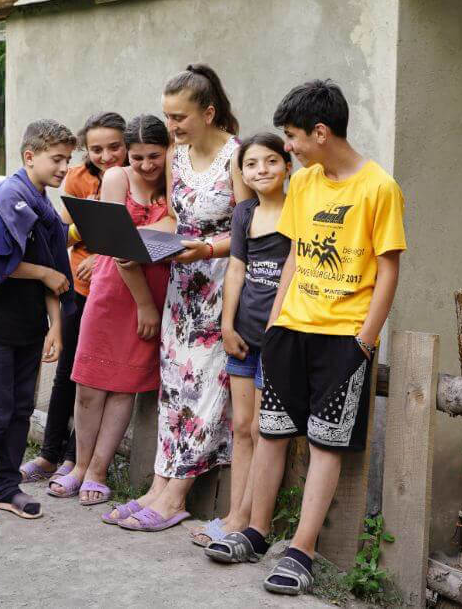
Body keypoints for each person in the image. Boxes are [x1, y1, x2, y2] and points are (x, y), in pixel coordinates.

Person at [205, 80, 406, 597]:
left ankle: (302, 550)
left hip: (342, 336)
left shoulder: (379, 188)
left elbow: (388, 271)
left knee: (324, 443)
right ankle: (254, 529)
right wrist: (274, 323)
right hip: (290, 329)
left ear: (321, 132)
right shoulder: (307, 183)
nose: (287, 147)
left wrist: (364, 340)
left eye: (292, 138)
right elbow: (295, 255)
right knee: (272, 432)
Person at [109, 63, 250, 532]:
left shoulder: (238, 156)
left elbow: (254, 232)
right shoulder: (175, 157)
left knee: (207, 389)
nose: (171, 127)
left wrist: (206, 248)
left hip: (220, 286)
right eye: (168, 117)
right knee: (175, 388)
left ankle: (176, 497)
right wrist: (142, 241)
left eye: (179, 118)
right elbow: (176, 218)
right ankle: (156, 486)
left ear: (208, 113)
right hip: (181, 287)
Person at [0, 119, 78, 526]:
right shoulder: (8, 197)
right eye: (57, 159)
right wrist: (43, 274)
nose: (64, 168)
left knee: (21, 409)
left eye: (68, 160)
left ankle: (6, 487)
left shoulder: (43, 204)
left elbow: (56, 272)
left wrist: (56, 326)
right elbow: (0, 264)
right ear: (30, 156)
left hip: (31, 323)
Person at [49, 115, 171, 507]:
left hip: (152, 292)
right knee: (88, 384)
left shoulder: (176, 184)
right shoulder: (118, 178)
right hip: (116, 292)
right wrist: (146, 306)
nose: (147, 165)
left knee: (122, 389)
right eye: (138, 157)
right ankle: (79, 466)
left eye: (155, 156)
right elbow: (119, 247)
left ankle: (98, 472)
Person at [190, 133, 292, 547]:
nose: (261, 170)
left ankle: (249, 523)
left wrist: (279, 326)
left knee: (267, 429)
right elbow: (235, 271)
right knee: (244, 426)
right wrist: (227, 326)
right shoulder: (245, 212)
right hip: (243, 337)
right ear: (242, 172)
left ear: (288, 165)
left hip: (278, 339)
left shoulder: (298, 211)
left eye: (271, 161)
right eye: (251, 164)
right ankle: (235, 515)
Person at [20, 112, 128, 484]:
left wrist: (101, 250)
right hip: (78, 287)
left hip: (116, 288)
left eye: (115, 146)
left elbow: (132, 230)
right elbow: (63, 228)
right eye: (96, 149)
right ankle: (50, 454)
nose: (106, 155)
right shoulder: (79, 176)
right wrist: (83, 232)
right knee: (68, 371)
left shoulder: (133, 176)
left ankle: (73, 458)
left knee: (96, 378)